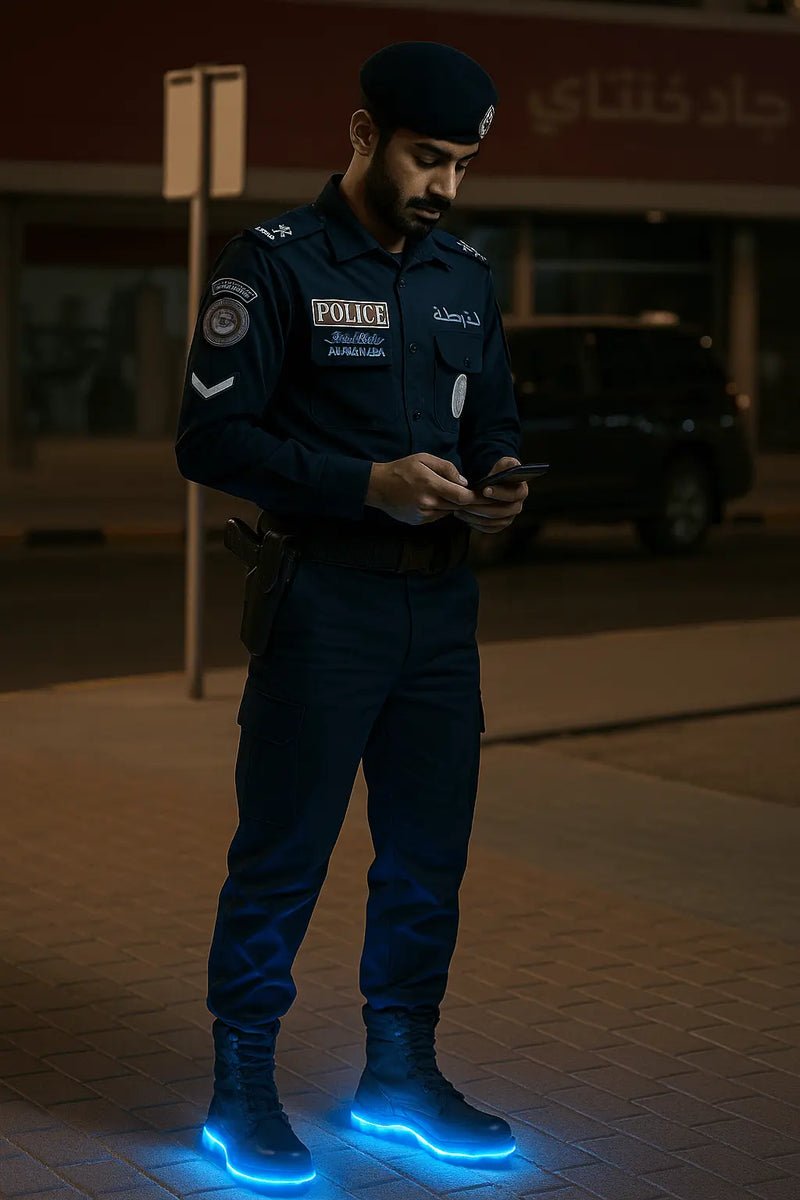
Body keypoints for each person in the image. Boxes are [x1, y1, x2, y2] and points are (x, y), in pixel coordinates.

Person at [176, 40, 527, 1191]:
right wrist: (364, 483)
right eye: (429, 159)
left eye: (464, 165)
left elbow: (493, 425)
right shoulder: (268, 263)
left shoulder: (463, 275)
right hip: (322, 603)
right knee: (281, 857)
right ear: (363, 135)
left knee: (426, 861)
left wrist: (502, 480)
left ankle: (398, 1078)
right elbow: (210, 440)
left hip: (440, 612)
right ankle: (239, 1091)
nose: (445, 187)